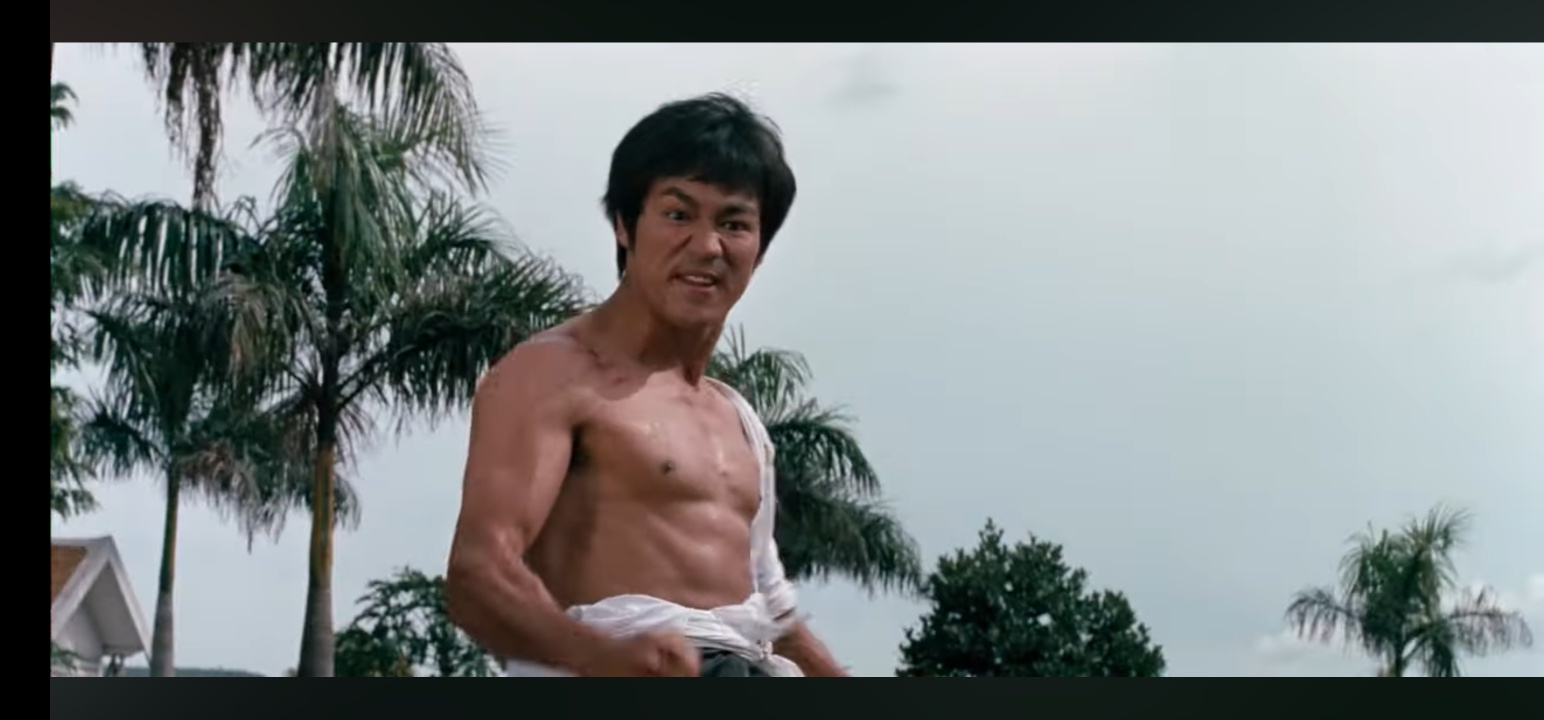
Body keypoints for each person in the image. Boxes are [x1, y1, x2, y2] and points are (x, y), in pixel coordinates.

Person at [444, 93, 848, 677]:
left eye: (734, 224)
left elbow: (772, 611)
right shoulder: (554, 374)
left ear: (759, 249)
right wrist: (602, 657)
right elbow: (478, 576)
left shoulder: (737, 419)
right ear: (624, 225)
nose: (707, 247)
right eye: (679, 215)